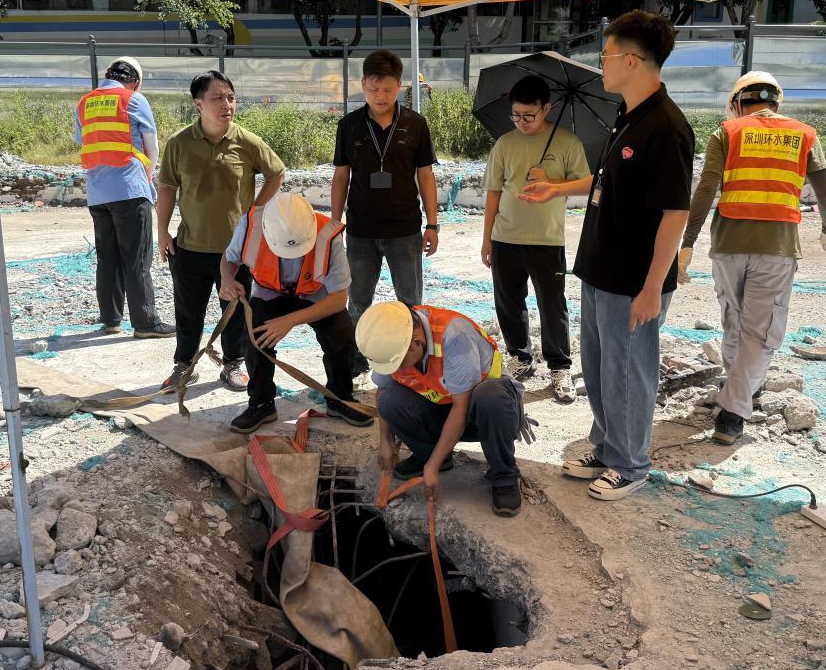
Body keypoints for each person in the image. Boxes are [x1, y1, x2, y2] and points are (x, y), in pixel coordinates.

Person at [519, 10, 693, 502]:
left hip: (632, 280)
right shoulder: (628, 115)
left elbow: (674, 215)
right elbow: (605, 184)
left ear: (632, 61)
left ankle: (631, 462)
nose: (602, 64)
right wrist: (556, 189)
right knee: (597, 368)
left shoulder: (667, 128)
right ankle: (606, 443)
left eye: (607, 55)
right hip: (599, 267)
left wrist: (652, 288)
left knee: (627, 371)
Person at [678, 71, 826, 445]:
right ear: (777, 102)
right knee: (761, 329)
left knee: (734, 320)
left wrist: (686, 243)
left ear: (738, 102)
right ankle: (733, 414)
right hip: (777, 248)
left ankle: (743, 388)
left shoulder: (727, 132)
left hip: (727, 244)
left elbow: (705, 189)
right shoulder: (805, 134)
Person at [156, 70, 286, 390]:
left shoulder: (247, 141)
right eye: (217, 98)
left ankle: (233, 363)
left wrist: (255, 211)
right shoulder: (179, 143)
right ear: (198, 104)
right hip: (189, 246)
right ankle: (183, 366)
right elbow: (168, 189)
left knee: (236, 310)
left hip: (236, 250)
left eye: (231, 97)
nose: (227, 104)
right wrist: (161, 231)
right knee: (188, 312)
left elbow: (276, 174)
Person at [356, 300, 531, 518]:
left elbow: (462, 406)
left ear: (416, 342)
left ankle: (504, 476)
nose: (398, 369)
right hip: (444, 408)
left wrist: (432, 466)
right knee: (390, 400)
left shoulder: (454, 335)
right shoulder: (390, 338)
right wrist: (385, 440)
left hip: (486, 415)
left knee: (490, 396)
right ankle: (429, 454)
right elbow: (383, 389)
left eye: (399, 363)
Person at [219, 192, 375, 433]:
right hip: (269, 292)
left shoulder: (327, 234)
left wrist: (289, 321)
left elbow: (338, 298)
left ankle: (339, 398)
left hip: (316, 295)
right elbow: (229, 259)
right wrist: (227, 279)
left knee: (342, 337)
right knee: (254, 339)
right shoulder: (251, 224)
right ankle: (262, 404)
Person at [481, 73, 592, 403]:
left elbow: (588, 184)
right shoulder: (505, 143)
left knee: (552, 305)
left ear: (547, 108)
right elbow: (493, 192)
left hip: (546, 240)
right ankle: (520, 357)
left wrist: (553, 182)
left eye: (529, 115)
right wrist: (487, 239)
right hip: (506, 237)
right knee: (508, 301)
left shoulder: (567, 142)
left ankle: (560, 367)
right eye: (515, 115)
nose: (521, 122)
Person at [331, 50, 440, 380]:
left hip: (405, 230)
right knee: (357, 302)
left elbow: (425, 176)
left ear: (400, 86)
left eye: (388, 90)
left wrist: (432, 224)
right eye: (374, 89)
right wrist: (335, 223)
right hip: (361, 231)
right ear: (363, 84)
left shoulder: (415, 124)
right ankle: (355, 363)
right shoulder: (349, 125)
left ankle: (412, 364)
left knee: (411, 303)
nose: (380, 97)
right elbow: (341, 176)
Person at [74, 57, 176, 340]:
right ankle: (145, 323)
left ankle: (110, 320)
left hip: (97, 193)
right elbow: (152, 147)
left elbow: (83, 140)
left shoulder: (85, 103)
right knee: (136, 259)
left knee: (108, 258)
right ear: (136, 81)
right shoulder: (133, 99)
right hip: (129, 190)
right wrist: (147, 178)